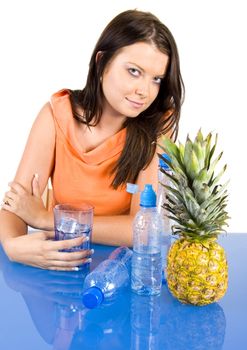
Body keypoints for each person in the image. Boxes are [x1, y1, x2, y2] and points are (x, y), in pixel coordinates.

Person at [0, 9, 184, 270]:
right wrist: (12, 246)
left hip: (122, 270)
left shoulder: (156, 128)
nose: (144, 91)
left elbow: (142, 229)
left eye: (156, 79)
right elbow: (15, 206)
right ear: (101, 62)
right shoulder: (56, 115)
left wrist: (44, 219)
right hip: (59, 262)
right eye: (133, 71)